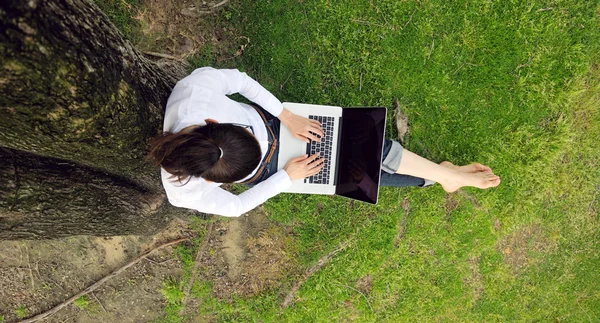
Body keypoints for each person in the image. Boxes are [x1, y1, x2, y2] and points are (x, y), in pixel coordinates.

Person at [148, 67, 500, 217]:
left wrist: (285, 116)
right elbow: (237, 208)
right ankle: (444, 176)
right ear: (210, 178)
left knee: (355, 148)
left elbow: (240, 81)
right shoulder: (183, 192)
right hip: (276, 170)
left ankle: (442, 176)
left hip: (279, 124)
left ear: (213, 122)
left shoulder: (195, 93)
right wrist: (285, 177)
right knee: (350, 169)